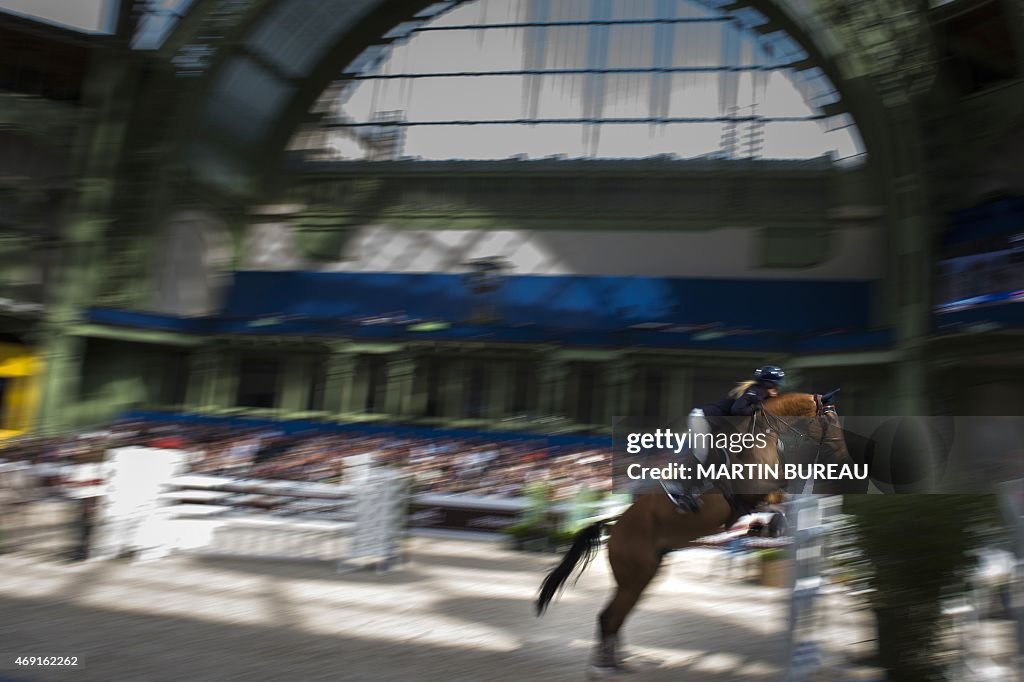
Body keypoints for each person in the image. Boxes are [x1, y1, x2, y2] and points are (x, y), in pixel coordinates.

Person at [663, 365, 785, 512]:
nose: (777, 389)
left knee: (721, 459)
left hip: (716, 426)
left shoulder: (760, 395)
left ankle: (697, 487)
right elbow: (737, 410)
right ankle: (677, 485)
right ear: (767, 384)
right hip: (703, 419)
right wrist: (755, 409)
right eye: (775, 385)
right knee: (702, 453)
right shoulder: (754, 392)